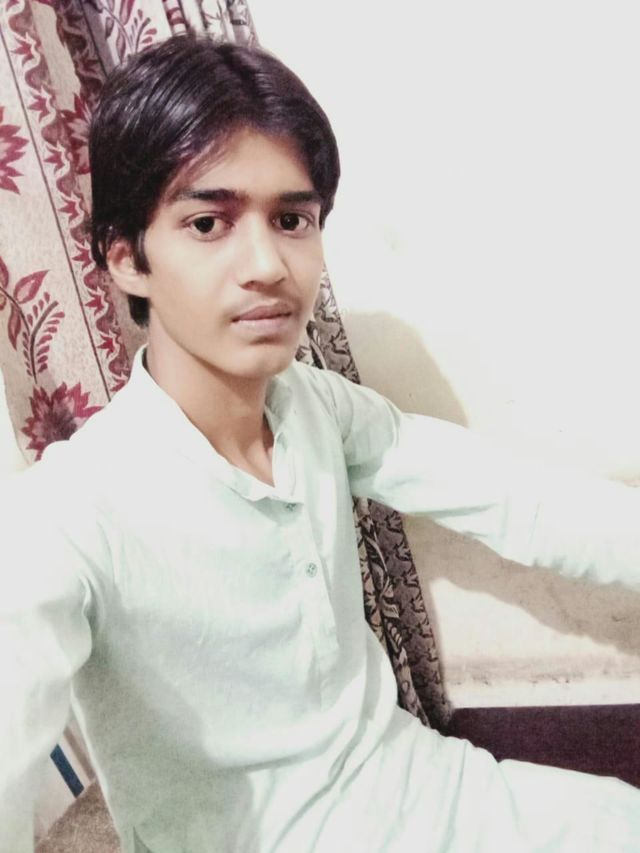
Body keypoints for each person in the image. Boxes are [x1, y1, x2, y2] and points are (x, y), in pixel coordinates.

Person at [1, 31, 639, 853]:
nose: (267, 263)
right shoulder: (66, 516)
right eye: (208, 222)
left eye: (292, 219)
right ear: (126, 257)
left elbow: (519, 501)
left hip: (432, 789)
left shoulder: (314, 405)